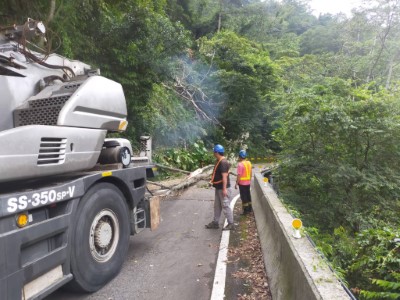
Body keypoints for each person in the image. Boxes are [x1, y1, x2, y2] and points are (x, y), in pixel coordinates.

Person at [205, 144, 234, 230]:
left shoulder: (223, 162)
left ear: (217, 152)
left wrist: (224, 189)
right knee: (217, 206)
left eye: (214, 152)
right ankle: (215, 222)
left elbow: (224, 177)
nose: (213, 153)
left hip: (223, 188)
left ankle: (231, 223)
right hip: (218, 188)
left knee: (225, 206)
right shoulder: (219, 161)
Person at [235, 150, 252, 215]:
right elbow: (250, 172)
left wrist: (236, 183)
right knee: (248, 195)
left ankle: (246, 211)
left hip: (242, 184)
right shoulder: (249, 163)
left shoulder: (240, 164)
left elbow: (239, 175)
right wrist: (249, 180)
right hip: (248, 183)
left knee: (243, 197)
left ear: (240, 156)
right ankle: (250, 209)